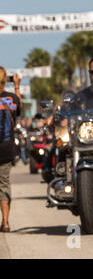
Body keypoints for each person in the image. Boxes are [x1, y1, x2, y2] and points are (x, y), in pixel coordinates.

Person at [0, 67, 22, 232]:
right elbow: (19, 110)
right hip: (6, 147)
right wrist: (16, 86)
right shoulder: (11, 98)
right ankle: (5, 222)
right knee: (4, 184)